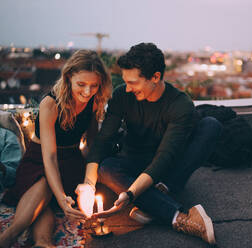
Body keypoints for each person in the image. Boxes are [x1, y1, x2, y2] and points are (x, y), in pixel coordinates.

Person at [76, 42, 222, 245]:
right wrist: (88, 184)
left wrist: (130, 193)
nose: (127, 88)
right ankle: (168, 209)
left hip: (169, 168)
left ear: (155, 77)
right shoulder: (122, 95)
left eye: (133, 82)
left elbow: (165, 156)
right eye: (125, 81)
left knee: (211, 126)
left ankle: (169, 209)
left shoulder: (180, 104)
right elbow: (103, 140)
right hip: (134, 161)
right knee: (106, 168)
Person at [0, 50, 112, 248]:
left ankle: (42, 242)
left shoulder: (94, 100)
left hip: (71, 159)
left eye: (94, 85)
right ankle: (13, 236)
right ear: (69, 77)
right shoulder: (50, 103)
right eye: (81, 84)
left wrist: (89, 181)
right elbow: (49, 157)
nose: (88, 91)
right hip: (39, 158)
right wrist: (61, 198)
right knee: (46, 188)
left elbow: (92, 144)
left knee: (45, 199)